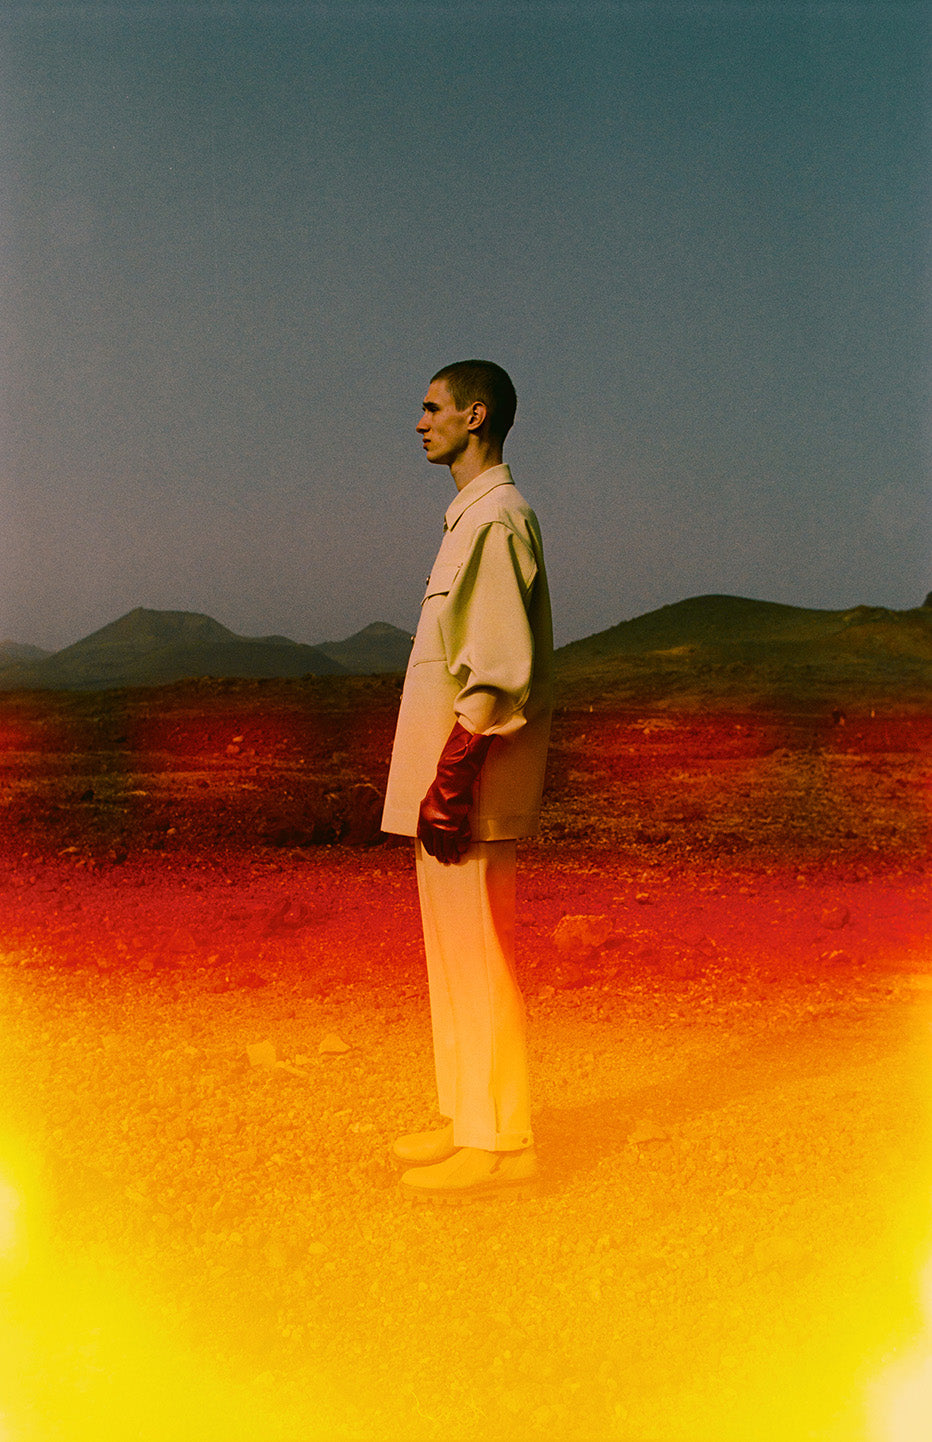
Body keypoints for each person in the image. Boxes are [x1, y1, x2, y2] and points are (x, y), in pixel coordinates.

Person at [380, 359, 553, 1201]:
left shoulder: (497, 518)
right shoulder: (467, 521)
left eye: (432, 407)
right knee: (453, 957)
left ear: (474, 416)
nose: (420, 422)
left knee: (480, 955)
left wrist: (451, 782)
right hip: (444, 785)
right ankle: (467, 1120)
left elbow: (496, 672)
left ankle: (501, 1143)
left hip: (467, 783)